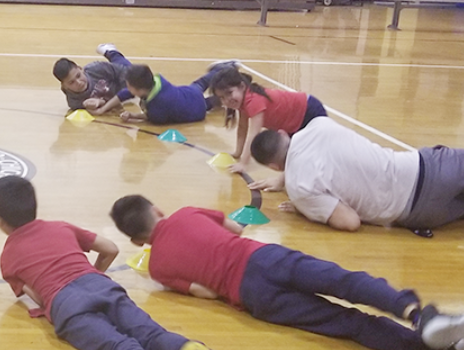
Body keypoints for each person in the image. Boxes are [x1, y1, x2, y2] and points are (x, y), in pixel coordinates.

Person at [109, 194, 464, 350]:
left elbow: (207, 293)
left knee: (347, 323)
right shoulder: (185, 213)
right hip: (266, 259)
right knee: (347, 281)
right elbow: (235, 228)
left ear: (138, 241)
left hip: (254, 297)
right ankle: (417, 314)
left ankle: (422, 346)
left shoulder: (157, 267)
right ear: (156, 209)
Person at [0, 176, 208, 350]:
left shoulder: (7, 258)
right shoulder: (61, 227)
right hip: (100, 284)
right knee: (152, 334)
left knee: (118, 345)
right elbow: (110, 248)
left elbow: (38, 295)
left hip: (67, 305)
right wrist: (93, 274)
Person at [249, 117, 464, 235]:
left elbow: (350, 222)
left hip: (419, 214)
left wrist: (302, 209)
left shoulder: (299, 189)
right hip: (429, 168)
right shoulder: (319, 124)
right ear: (283, 134)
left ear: (274, 166)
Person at [209, 68, 329, 173]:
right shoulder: (243, 101)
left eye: (229, 93)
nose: (227, 100)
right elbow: (242, 128)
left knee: (303, 155)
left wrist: (243, 163)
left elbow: (253, 134)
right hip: (295, 120)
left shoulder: (253, 100)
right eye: (222, 98)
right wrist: (237, 153)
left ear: (242, 86)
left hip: (308, 110)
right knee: (295, 156)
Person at [95, 61, 236, 124]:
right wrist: (103, 109)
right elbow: (125, 93)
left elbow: (151, 119)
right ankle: (226, 68)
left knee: (209, 102)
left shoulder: (158, 106)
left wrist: (132, 116)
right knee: (202, 82)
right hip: (189, 92)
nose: (126, 88)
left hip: (196, 111)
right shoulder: (156, 81)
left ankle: (219, 97)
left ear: (137, 89)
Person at [53, 44, 132, 115]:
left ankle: (110, 51)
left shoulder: (96, 68)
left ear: (81, 69)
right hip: (119, 94)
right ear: (64, 86)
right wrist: (100, 103)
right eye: (71, 82)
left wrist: (127, 88)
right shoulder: (74, 102)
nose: (79, 82)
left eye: (78, 76)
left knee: (130, 69)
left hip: (121, 80)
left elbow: (124, 71)